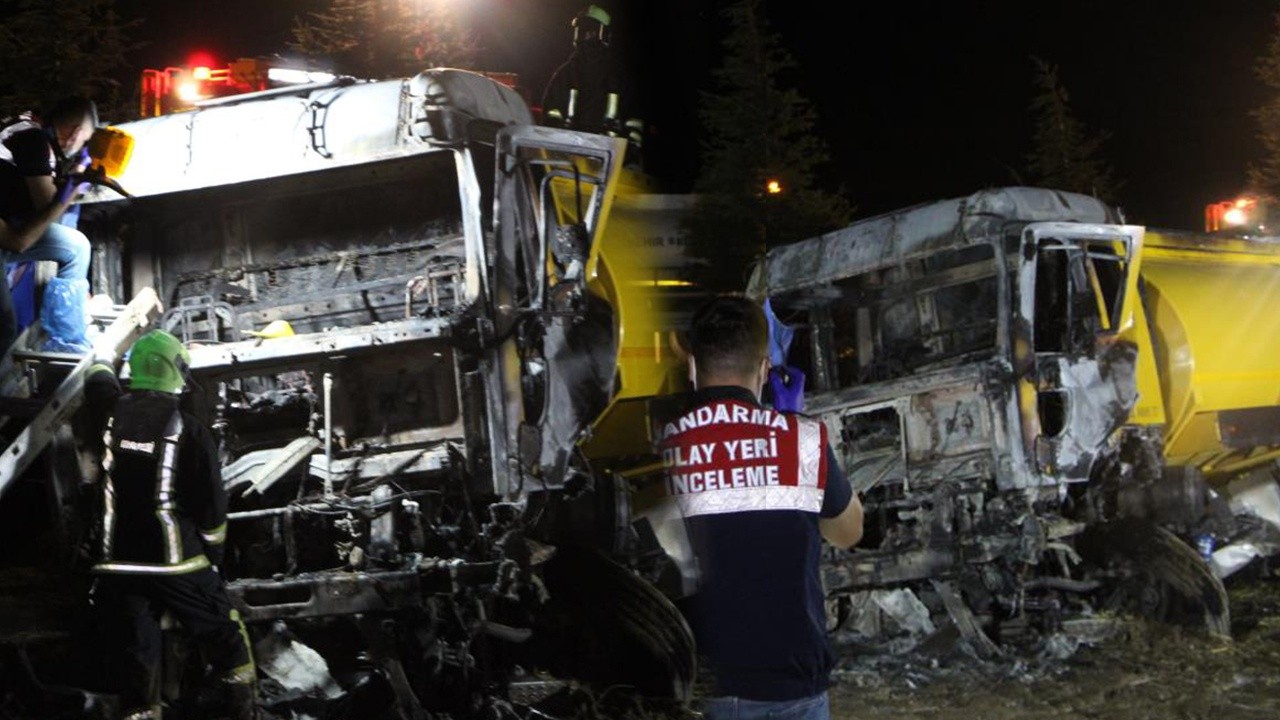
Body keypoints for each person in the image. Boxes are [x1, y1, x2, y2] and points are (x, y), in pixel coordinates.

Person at [658, 294, 863, 720]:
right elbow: (849, 533)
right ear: (766, 369)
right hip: (793, 685)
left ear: (692, 365)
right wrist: (794, 428)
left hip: (706, 685)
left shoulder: (665, 449)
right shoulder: (804, 441)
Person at [84, 329, 258, 720]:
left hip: (118, 565)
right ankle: (242, 710)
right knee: (225, 635)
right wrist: (213, 556)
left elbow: (97, 379)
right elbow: (212, 506)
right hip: (176, 562)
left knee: (137, 657)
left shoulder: (109, 411)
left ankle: (142, 712)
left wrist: (101, 351)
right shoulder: (188, 428)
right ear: (172, 370)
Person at [0, 95, 98, 352]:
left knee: (76, 246)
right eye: (84, 141)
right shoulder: (33, 142)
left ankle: (65, 336)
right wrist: (73, 188)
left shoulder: (29, 129)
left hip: (8, 231)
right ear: (76, 133)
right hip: (8, 237)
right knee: (4, 327)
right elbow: (44, 213)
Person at [540, 4, 643, 161]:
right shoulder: (567, 73)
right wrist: (556, 144)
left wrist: (632, 149)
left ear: (604, 34)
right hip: (570, 155)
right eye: (582, 32)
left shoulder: (618, 74)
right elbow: (551, 111)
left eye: (592, 32)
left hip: (610, 157)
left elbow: (634, 117)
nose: (586, 37)